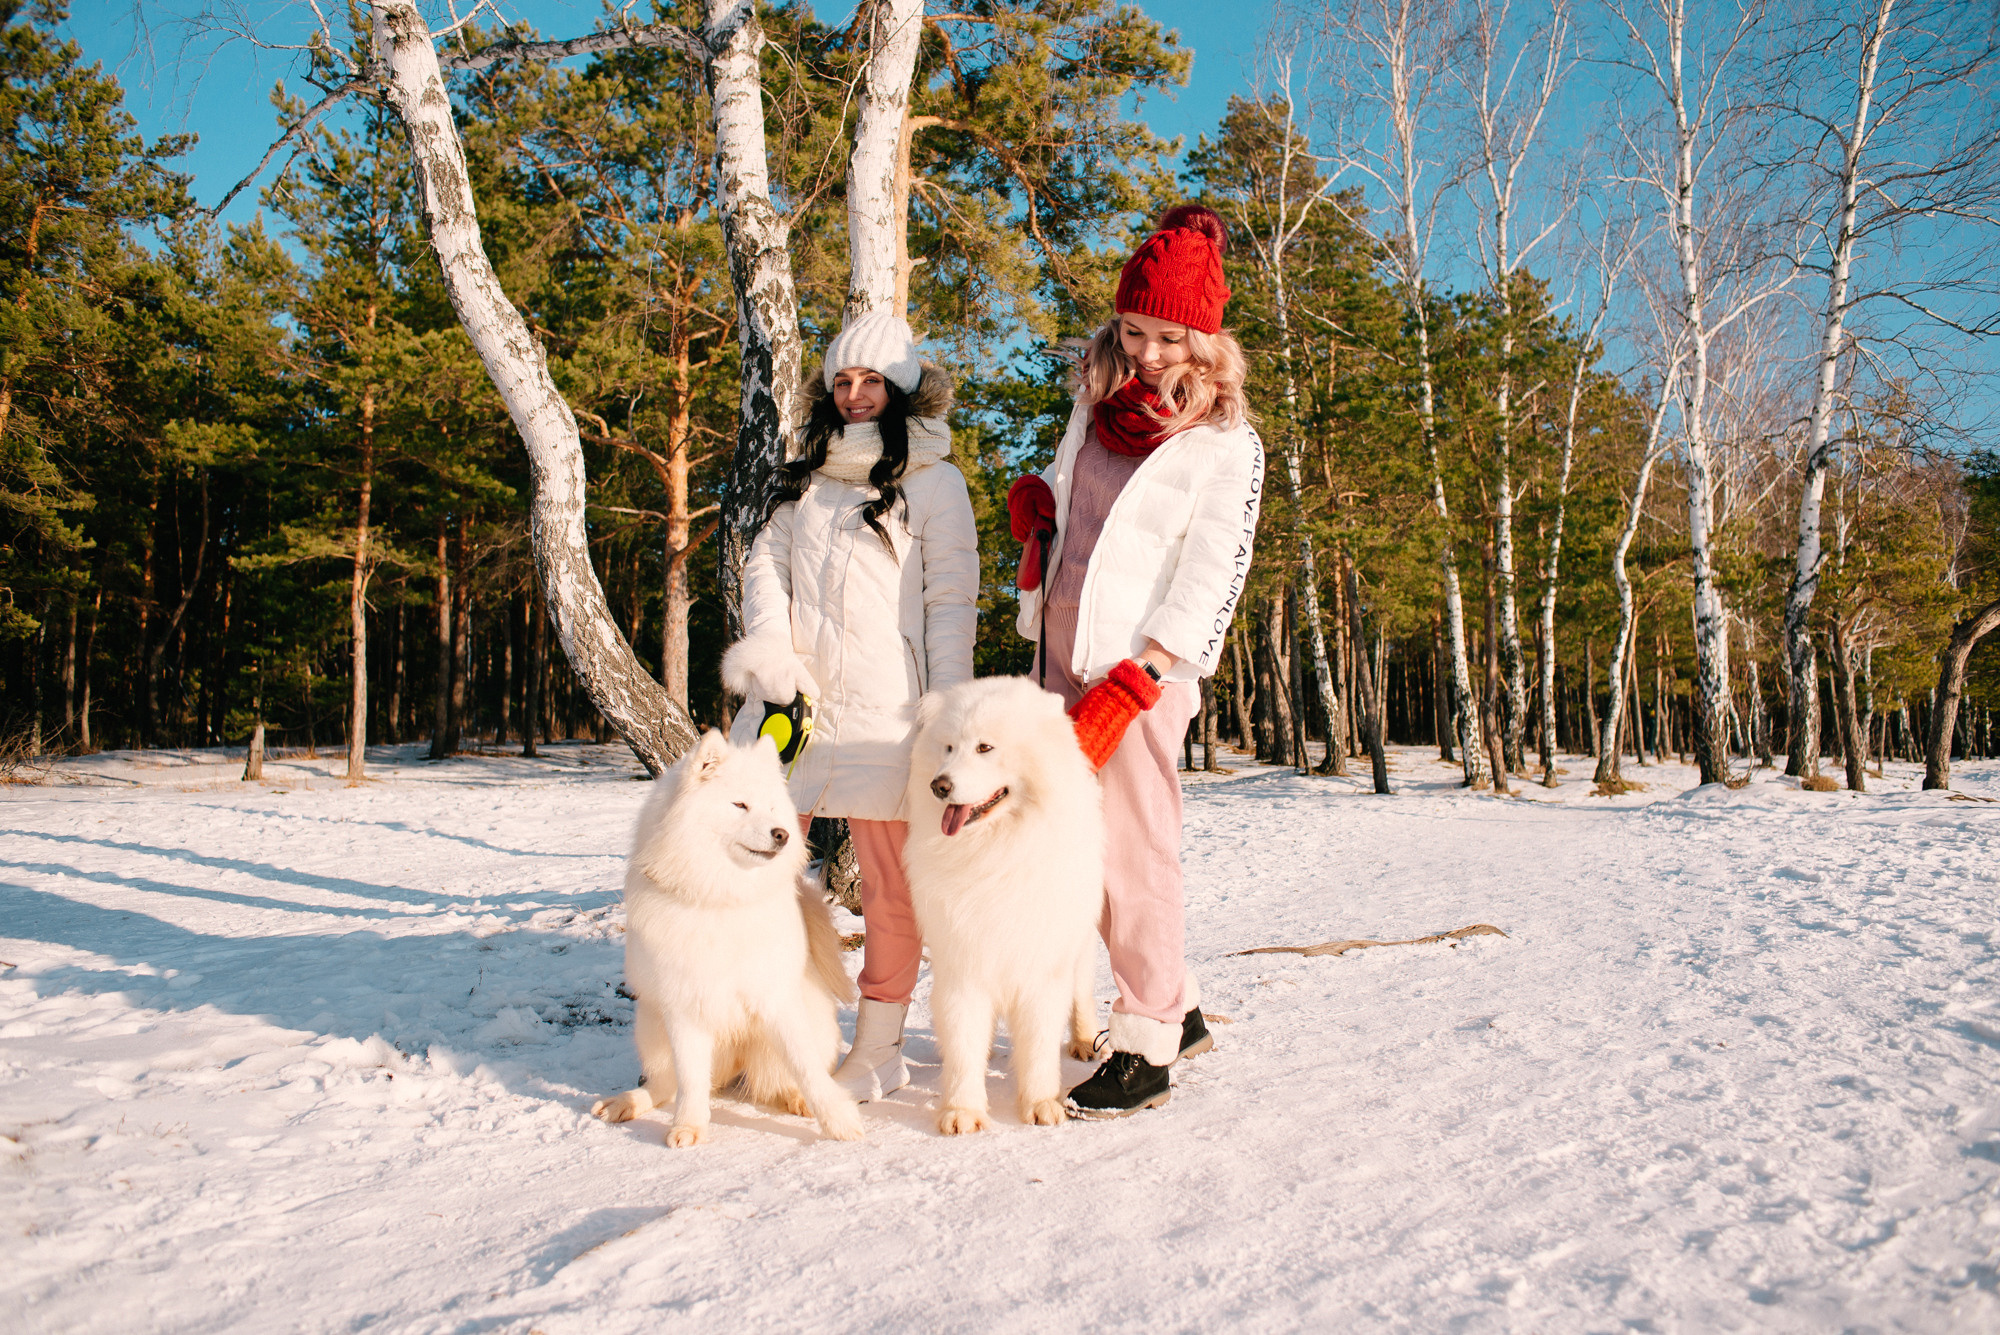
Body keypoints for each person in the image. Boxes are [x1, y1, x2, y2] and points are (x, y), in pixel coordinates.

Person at [1008, 204, 1263, 1117]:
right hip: (1060, 656)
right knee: (1077, 851)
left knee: (1134, 857)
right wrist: (1039, 511)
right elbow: (1078, 509)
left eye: (1167, 335)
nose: (1148, 353)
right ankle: (1180, 1006)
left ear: (1204, 337)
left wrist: (1148, 672)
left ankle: (1147, 1041)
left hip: (1141, 680)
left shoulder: (1225, 444)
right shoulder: (1093, 401)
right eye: (1134, 330)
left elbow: (1212, 573)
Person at [724, 310, 979, 1101]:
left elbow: (950, 601)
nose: (856, 393)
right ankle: (747, 1035)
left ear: (900, 391)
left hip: (891, 711)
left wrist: (948, 708)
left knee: (888, 884)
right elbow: (762, 561)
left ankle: (879, 1043)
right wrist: (771, 650)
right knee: (748, 868)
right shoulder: (804, 477)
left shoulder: (935, 484)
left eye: (872, 380)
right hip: (791, 711)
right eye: (843, 380)